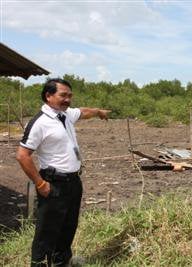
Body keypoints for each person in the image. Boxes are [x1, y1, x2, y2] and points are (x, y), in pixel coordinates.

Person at [16, 78, 110, 266]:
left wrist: (98, 112)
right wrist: (40, 184)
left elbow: (83, 112)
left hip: (73, 182)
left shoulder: (65, 114)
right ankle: (40, 263)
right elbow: (22, 155)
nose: (68, 100)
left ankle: (61, 261)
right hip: (53, 183)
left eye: (70, 96)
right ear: (48, 96)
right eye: (63, 95)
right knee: (47, 229)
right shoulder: (39, 122)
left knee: (68, 225)